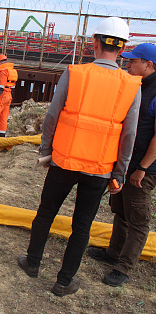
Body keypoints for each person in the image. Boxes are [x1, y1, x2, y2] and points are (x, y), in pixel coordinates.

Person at [17, 17, 142, 297]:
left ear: (94, 43)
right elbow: (129, 135)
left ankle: (33, 263)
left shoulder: (75, 73)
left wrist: (46, 150)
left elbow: (52, 115)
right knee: (82, 225)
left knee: (46, 213)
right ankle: (64, 282)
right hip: (99, 170)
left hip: (64, 161)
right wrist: (119, 173)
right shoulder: (132, 86)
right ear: (122, 49)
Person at [87, 43, 156, 287]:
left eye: (133, 61)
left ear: (148, 65)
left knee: (138, 218)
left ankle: (124, 267)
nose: (127, 64)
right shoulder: (137, 86)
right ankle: (113, 252)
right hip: (127, 163)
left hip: (142, 168)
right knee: (120, 209)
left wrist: (143, 168)